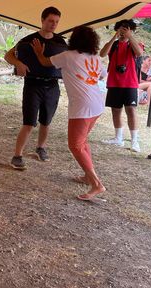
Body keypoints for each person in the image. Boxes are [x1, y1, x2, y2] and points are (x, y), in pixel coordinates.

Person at [32, 26, 106, 200]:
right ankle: (88, 176)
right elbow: (102, 75)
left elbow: (44, 62)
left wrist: (38, 51)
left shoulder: (67, 56)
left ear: (74, 40)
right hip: (97, 103)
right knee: (82, 142)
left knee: (75, 145)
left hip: (82, 106)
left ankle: (96, 184)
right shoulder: (95, 57)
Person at [4, 6, 67, 170]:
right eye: (50, 21)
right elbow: (8, 55)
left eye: (57, 22)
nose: (53, 24)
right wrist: (18, 63)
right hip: (33, 84)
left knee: (46, 121)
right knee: (29, 122)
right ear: (42, 20)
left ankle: (41, 148)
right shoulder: (28, 40)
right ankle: (17, 156)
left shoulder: (60, 42)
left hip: (53, 85)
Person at [99, 19, 143, 152]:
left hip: (130, 83)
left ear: (131, 30)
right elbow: (102, 54)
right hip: (114, 82)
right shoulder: (114, 44)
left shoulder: (135, 44)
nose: (124, 31)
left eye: (127, 28)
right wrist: (114, 37)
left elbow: (139, 53)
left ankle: (134, 141)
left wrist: (130, 37)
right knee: (115, 111)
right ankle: (118, 138)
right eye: (121, 28)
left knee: (131, 110)